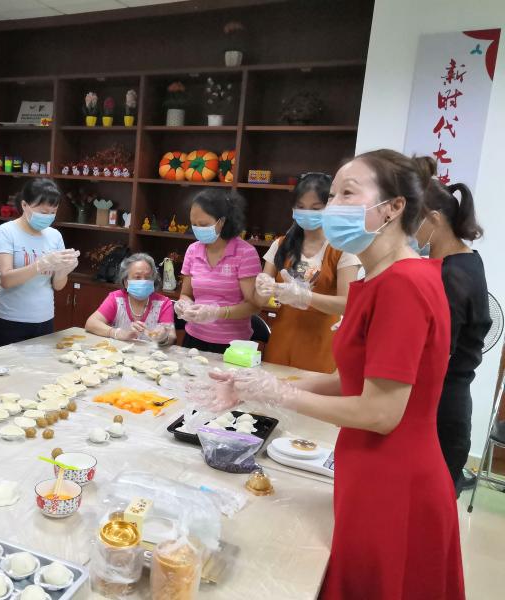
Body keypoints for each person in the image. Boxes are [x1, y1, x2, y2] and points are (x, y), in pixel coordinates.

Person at [193, 150, 464, 599]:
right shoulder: (376, 280)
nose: (332, 207)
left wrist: (279, 394)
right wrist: (255, 388)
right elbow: (349, 381)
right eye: (332, 194)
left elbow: (381, 413)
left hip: (394, 480)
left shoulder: (404, 285)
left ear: (394, 207)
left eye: (346, 194)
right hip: (364, 467)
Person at [414, 175, 491, 495]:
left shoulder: (453, 273)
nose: (408, 230)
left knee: (431, 498)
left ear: (434, 219)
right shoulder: (465, 259)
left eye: (413, 220)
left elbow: (438, 352)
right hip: (448, 397)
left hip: (442, 405)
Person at [255, 173, 361, 373]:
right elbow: (259, 300)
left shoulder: (342, 249)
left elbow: (348, 304)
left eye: (315, 208)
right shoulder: (281, 245)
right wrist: (262, 286)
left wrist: (305, 297)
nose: (307, 213)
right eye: (301, 207)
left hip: (320, 348)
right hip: (280, 343)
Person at [0, 178, 78, 348]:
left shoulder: (55, 236)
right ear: (24, 205)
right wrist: (39, 265)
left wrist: (64, 270)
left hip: (44, 318)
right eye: (43, 212)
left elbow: (58, 285)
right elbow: (5, 280)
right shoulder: (6, 232)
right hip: (10, 320)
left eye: (53, 212)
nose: (48, 216)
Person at [176, 189, 262, 354]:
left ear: (222, 221)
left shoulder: (245, 253)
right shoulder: (193, 250)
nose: (197, 229)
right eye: (194, 224)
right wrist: (184, 305)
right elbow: (186, 294)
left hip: (232, 344)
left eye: (203, 224)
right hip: (194, 338)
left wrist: (217, 312)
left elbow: (254, 306)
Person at [85, 253, 175, 345]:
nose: (143, 281)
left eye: (148, 277)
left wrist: (163, 338)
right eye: (137, 277)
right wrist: (117, 333)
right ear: (126, 282)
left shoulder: (163, 303)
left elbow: (171, 336)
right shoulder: (116, 299)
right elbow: (91, 323)